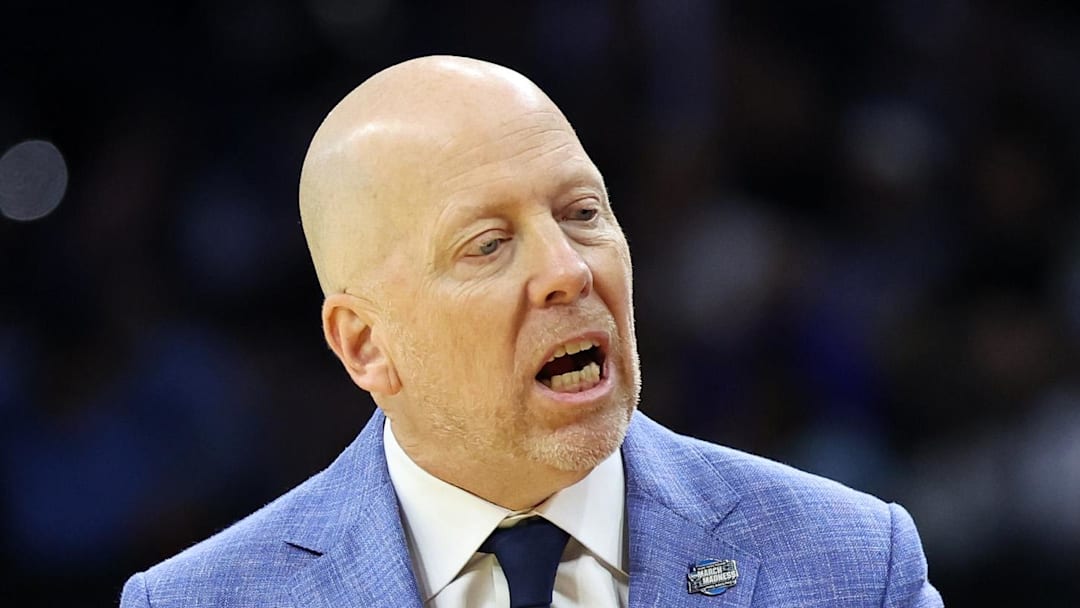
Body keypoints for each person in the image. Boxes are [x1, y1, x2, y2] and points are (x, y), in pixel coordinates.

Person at [119, 56, 943, 607]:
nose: (569, 270)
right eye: (488, 244)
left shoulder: (853, 564)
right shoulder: (199, 601)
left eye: (582, 213)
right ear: (366, 344)